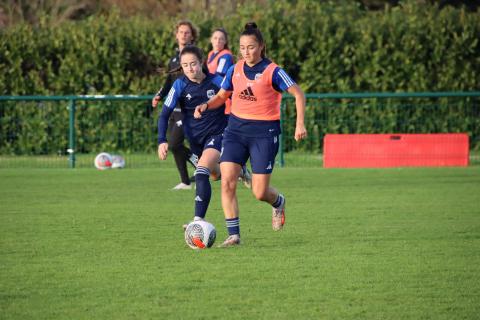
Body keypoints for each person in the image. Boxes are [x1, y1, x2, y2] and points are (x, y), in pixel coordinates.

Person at [194, 22, 307, 247]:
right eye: (243, 48)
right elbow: (222, 96)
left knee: (259, 191)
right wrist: (206, 105)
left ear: (261, 46)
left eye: (251, 47)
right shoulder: (234, 69)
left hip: (264, 133)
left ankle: (278, 202)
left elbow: (298, 93)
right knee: (227, 181)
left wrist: (299, 124)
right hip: (235, 131)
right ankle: (234, 235)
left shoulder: (273, 71)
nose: (246, 52)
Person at [157, 45, 228, 225]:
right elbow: (164, 114)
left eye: (193, 64)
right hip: (196, 139)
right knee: (215, 175)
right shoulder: (180, 84)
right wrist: (161, 140)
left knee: (201, 172)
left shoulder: (217, 81)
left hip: (217, 134)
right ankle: (240, 171)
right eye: (185, 65)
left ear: (201, 62)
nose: (190, 69)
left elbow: (235, 100)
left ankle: (198, 220)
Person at [152, 20, 198, 190]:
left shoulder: (195, 56)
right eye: (181, 32)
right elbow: (169, 81)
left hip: (187, 108)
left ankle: (202, 162)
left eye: (187, 32)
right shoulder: (174, 58)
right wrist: (159, 94)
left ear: (192, 35)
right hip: (173, 106)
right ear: (176, 35)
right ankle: (185, 181)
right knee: (175, 147)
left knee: (173, 143)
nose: (184, 35)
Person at [206, 27, 252, 188]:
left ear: (225, 42)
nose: (218, 41)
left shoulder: (225, 56)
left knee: (227, 139)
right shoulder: (211, 55)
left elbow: (219, 76)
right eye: (215, 38)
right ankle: (209, 171)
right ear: (211, 40)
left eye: (221, 39)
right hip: (215, 104)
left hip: (225, 104)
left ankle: (241, 168)